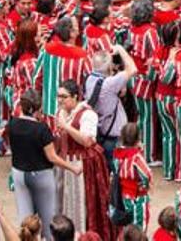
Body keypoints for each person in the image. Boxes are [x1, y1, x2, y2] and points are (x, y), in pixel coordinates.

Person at [7, 90, 79, 239]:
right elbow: (52, 157)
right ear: (37, 109)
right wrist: (73, 167)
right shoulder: (41, 129)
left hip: (19, 173)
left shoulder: (12, 123)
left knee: (25, 219)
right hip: (41, 175)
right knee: (48, 221)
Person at [54, 79, 112, 240]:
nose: (59, 100)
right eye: (58, 96)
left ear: (75, 96)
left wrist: (66, 127)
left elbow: (87, 141)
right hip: (67, 162)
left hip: (84, 164)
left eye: (63, 96)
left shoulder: (88, 114)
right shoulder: (62, 112)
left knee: (86, 205)